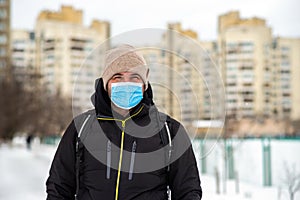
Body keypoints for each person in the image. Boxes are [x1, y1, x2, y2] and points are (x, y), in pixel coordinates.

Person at [46, 44, 202, 200]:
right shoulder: (81, 127)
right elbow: (59, 187)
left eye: (134, 77)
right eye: (117, 77)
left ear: (144, 85)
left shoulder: (169, 131)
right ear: (106, 84)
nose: (126, 84)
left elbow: (188, 191)